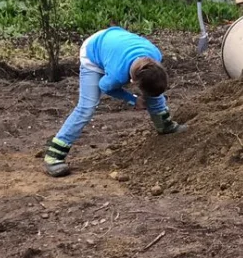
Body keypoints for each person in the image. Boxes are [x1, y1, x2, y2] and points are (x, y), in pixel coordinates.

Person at [43, 26, 186, 177]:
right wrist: (133, 99)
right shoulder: (116, 76)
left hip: (115, 42)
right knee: (86, 107)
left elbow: (153, 83)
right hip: (93, 51)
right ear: (132, 81)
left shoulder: (155, 55)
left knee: (153, 88)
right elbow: (105, 87)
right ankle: (54, 156)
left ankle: (164, 125)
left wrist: (150, 95)